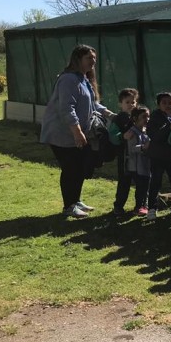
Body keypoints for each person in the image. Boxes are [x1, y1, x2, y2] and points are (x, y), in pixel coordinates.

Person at [39, 44, 114, 219]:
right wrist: (77, 132)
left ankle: (76, 200)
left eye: (94, 58)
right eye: (89, 58)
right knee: (71, 168)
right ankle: (69, 206)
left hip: (76, 133)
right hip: (62, 134)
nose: (93, 62)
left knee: (80, 167)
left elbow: (91, 103)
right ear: (77, 59)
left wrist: (109, 114)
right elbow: (67, 108)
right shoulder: (68, 80)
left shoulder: (83, 78)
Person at [146, 91, 171, 218]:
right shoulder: (154, 118)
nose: (168, 105)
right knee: (156, 181)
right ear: (158, 105)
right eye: (164, 103)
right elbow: (155, 136)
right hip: (158, 156)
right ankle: (152, 208)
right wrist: (169, 126)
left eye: (170, 102)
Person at [109, 88, 139, 217]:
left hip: (139, 155)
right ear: (120, 104)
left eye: (133, 102)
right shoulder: (118, 119)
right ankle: (119, 206)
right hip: (125, 156)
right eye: (127, 102)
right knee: (124, 181)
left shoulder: (138, 117)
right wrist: (122, 136)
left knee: (142, 180)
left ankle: (141, 205)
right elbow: (113, 136)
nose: (131, 105)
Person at [126, 106, 153, 218]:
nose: (147, 119)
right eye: (143, 117)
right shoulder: (132, 132)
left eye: (148, 116)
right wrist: (143, 147)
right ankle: (138, 207)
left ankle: (144, 206)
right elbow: (131, 149)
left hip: (146, 165)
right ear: (135, 119)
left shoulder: (146, 131)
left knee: (146, 186)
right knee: (141, 187)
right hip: (137, 166)